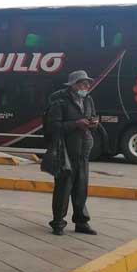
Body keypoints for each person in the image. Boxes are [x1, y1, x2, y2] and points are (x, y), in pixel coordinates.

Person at [45, 70, 99, 236]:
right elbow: (53, 126)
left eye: (87, 83)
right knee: (63, 188)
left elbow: (92, 117)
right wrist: (76, 124)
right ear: (73, 85)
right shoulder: (60, 101)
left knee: (81, 188)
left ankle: (81, 222)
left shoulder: (88, 100)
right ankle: (58, 223)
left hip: (83, 151)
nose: (86, 86)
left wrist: (93, 123)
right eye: (83, 83)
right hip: (66, 152)